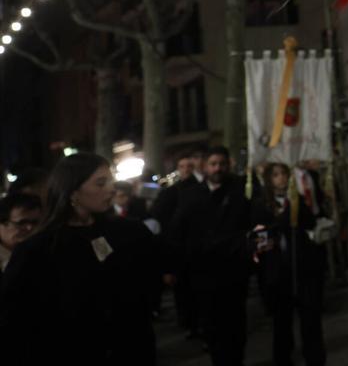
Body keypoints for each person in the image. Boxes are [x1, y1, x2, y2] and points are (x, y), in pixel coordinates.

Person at [0, 153, 157, 365]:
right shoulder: (38, 249)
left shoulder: (129, 232)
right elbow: (14, 317)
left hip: (130, 350)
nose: (112, 189)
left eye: (110, 181)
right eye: (100, 183)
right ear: (72, 191)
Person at [170, 145, 253, 365]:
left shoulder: (239, 191)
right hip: (204, 272)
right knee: (212, 324)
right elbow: (179, 230)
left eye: (222, 164)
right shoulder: (191, 195)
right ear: (205, 166)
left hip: (234, 271)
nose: (218, 168)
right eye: (213, 164)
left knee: (236, 324)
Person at [251, 163, 327, 366]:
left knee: (310, 319)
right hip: (278, 270)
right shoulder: (261, 205)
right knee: (282, 322)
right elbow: (260, 239)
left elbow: (310, 223)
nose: (281, 178)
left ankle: (315, 358)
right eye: (276, 175)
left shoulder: (296, 199)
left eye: (284, 174)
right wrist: (278, 226)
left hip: (302, 266)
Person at [154, 151, 205, 337]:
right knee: (183, 291)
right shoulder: (171, 193)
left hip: (197, 248)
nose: (186, 170)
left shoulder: (202, 189)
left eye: (189, 166)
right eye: (182, 167)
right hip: (178, 249)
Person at [0, 193, 42, 278]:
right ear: (2, 223)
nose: (29, 228)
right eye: (22, 223)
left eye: (34, 222)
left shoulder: (41, 254)